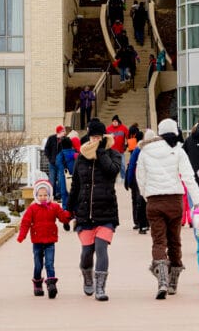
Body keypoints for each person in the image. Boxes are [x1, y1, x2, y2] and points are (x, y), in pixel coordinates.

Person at [136, 118, 199, 299]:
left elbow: (140, 178)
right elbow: (189, 177)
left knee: (159, 241)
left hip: (154, 201)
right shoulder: (178, 150)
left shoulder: (145, 151)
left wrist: (146, 195)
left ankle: (162, 280)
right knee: (174, 240)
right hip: (174, 201)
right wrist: (198, 201)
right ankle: (173, 282)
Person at [67, 120, 122, 302]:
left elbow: (113, 171)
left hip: (106, 212)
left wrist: (101, 153)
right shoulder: (81, 158)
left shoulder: (113, 154)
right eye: (92, 137)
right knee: (87, 253)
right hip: (85, 214)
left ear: (104, 137)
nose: (95, 140)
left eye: (98, 137)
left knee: (101, 247)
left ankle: (100, 286)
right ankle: (88, 276)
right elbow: (75, 185)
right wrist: (68, 209)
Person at [17, 179, 71, 298]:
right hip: (37, 241)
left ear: (49, 195)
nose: (43, 198)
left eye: (45, 195)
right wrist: (22, 235)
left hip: (50, 241)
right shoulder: (32, 209)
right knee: (38, 265)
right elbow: (25, 222)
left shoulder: (54, 207)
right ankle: (37, 284)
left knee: (50, 263)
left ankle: (51, 285)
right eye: (40, 195)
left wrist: (69, 215)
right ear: (36, 195)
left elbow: (62, 216)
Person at [124, 129, 150, 234]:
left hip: (136, 177)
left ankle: (138, 222)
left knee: (136, 200)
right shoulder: (152, 149)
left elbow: (131, 165)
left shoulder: (138, 149)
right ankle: (147, 222)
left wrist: (129, 180)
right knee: (146, 200)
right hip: (148, 176)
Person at [43, 125, 66, 201]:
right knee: (52, 180)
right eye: (63, 131)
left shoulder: (65, 140)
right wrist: (50, 159)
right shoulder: (51, 138)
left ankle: (58, 196)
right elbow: (46, 149)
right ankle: (51, 195)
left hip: (61, 164)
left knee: (60, 180)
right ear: (59, 131)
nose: (64, 132)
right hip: (52, 164)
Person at [55, 137, 77, 213]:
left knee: (64, 194)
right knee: (75, 193)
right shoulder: (75, 154)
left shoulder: (59, 156)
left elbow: (58, 164)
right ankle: (75, 210)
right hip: (75, 177)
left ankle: (66, 210)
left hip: (63, 178)